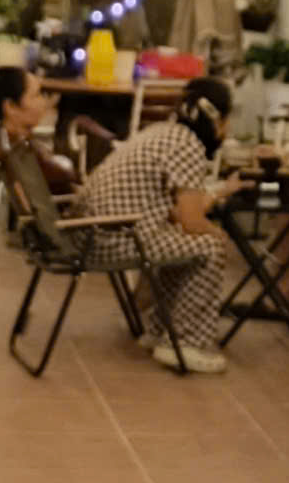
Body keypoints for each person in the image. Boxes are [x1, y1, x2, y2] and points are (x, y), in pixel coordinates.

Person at [78, 75, 240, 376]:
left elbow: (178, 214)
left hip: (96, 233)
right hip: (117, 239)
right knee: (210, 246)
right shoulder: (188, 146)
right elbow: (192, 222)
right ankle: (185, 344)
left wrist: (218, 194)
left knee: (180, 241)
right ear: (216, 118)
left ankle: (159, 331)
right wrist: (219, 235)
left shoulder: (163, 132)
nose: (227, 128)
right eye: (228, 119)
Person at [0, 64, 80, 200]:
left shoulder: (9, 144)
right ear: (10, 107)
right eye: (36, 95)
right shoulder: (26, 155)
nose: (43, 101)